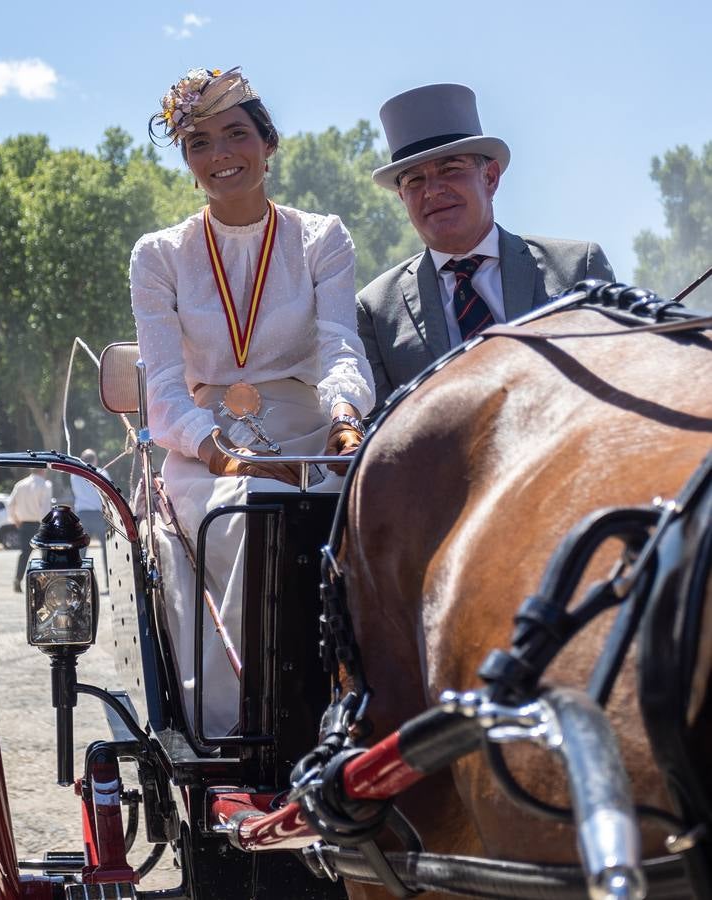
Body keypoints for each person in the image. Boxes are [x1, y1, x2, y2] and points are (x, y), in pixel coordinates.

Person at [130, 66, 374, 734]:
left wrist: (347, 419)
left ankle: (368, 708)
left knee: (364, 515)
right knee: (246, 515)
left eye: (236, 134)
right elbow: (165, 390)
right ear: (187, 161)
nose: (221, 155)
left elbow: (339, 348)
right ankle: (259, 724)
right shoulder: (158, 256)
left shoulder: (321, 237)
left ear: (269, 144)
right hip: (204, 446)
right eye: (199, 143)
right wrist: (216, 452)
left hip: (308, 428)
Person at [358, 83, 615, 407]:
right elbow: (378, 435)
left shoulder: (579, 267)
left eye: (450, 169)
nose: (432, 190)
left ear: (490, 177)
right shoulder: (375, 310)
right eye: (414, 180)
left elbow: (615, 383)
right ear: (401, 196)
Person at [7, 470, 53, 593]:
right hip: (40, 524)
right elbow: (45, 509)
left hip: (24, 524)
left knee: (24, 554)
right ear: (42, 470)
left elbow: (10, 504)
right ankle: (46, 584)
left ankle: (18, 579)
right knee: (45, 556)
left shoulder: (20, 484)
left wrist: (16, 520)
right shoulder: (45, 485)